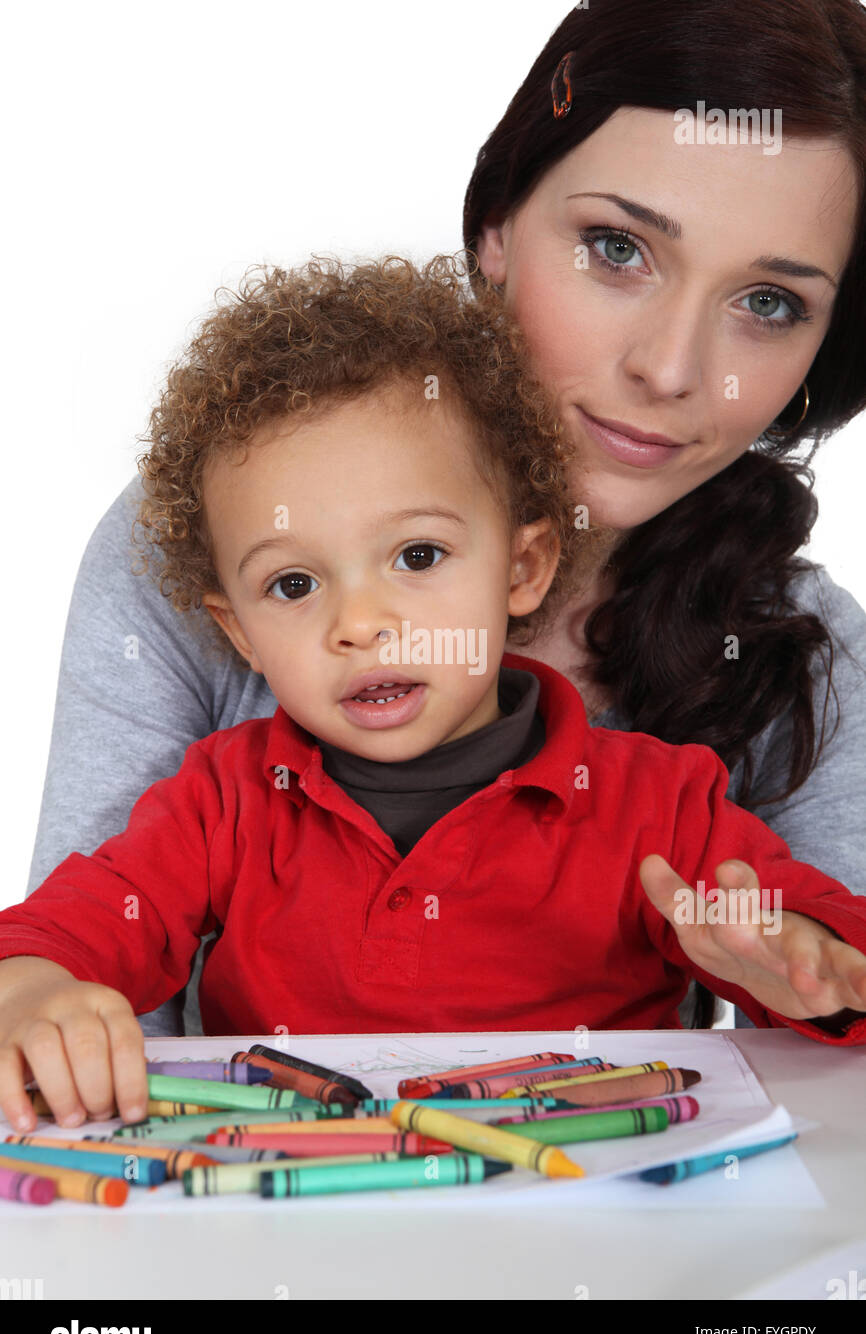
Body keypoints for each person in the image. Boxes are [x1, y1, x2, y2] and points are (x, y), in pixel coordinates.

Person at [21, 0, 866, 1037]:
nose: (668, 369)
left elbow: (829, 1034)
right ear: (495, 229)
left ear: (524, 568)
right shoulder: (212, 527)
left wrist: (811, 979)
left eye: (768, 303)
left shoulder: (790, 668)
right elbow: (85, 992)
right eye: (615, 247)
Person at [0, 255, 865, 1135]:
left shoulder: (660, 801)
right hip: (298, 1209)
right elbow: (81, 925)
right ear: (238, 634)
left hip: (589, 1216)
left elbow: (813, 940)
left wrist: (801, 957)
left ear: (524, 569)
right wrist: (32, 983)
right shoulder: (219, 802)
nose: (361, 623)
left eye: (417, 557)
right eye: (294, 585)